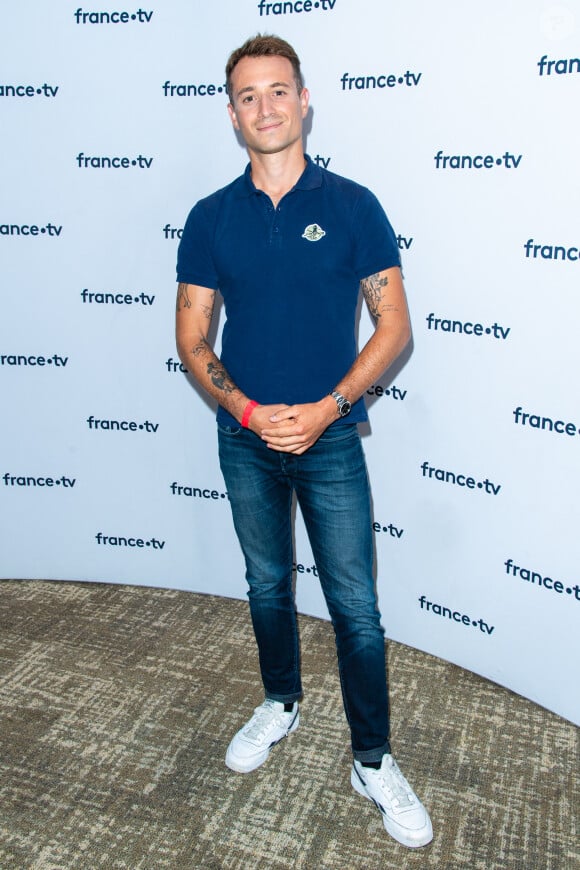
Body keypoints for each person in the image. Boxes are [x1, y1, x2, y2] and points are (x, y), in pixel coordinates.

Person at [175, 34, 433, 849]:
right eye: (249, 96)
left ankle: (371, 757)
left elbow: (393, 327)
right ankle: (280, 702)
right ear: (232, 114)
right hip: (244, 436)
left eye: (279, 90)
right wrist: (249, 414)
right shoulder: (210, 217)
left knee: (355, 606)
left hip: (331, 437)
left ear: (304, 100)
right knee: (265, 585)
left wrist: (328, 407)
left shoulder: (355, 206)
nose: (266, 107)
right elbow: (192, 339)